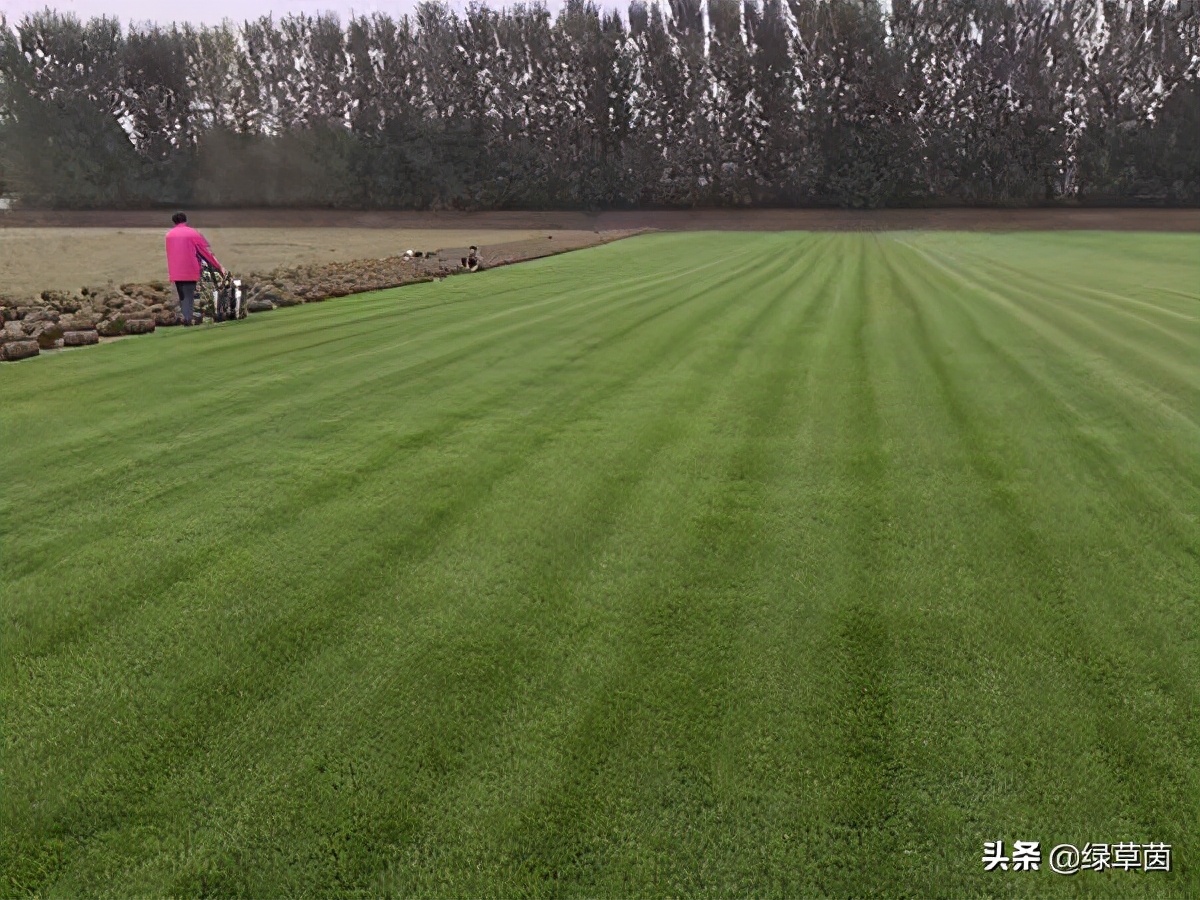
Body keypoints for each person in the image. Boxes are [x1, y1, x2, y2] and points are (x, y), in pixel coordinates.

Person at [165, 212, 224, 326]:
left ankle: (186, 316)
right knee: (189, 295)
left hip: (175, 271)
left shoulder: (169, 235)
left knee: (182, 295)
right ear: (185, 220)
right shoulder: (193, 233)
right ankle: (188, 318)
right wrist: (217, 266)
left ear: (174, 222)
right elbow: (205, 252)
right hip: (190, 269)